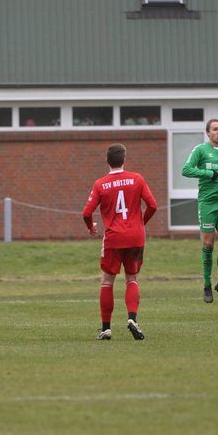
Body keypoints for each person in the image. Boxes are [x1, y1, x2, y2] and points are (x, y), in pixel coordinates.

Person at [83, 143, 158, 341]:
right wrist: (140, 223)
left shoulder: (100, 184)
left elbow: (86, 212)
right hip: (135, 237)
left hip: (113, 238)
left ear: (107, 161)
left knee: (107, 281)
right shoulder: (137, 179)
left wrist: (90, 227)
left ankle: (106, 328)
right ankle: (132, 318)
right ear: (124, 159)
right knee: (132, 278)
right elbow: (153, 205)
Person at [181, 118, 218, 304]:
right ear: (208, 132)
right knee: (208, 244)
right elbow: (186, 170)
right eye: (215, 129)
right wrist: (207, 173)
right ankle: (207, 285)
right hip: (207, 203)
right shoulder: (200, 150)